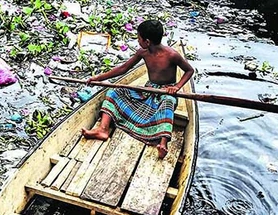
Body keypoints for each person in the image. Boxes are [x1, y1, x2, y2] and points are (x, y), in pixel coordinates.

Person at [82, 19, 194, 159]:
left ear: (147, 41)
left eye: (138, 37)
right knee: (114, 91)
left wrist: (176, 87)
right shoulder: (143, 52)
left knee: (168, 103)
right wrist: (99, 78)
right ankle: (103, 129)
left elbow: (189, 71)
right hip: (149, 89)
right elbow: (123, 68)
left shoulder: (172, 55)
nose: (137, 40)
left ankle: (163, 143)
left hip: (165, 92)